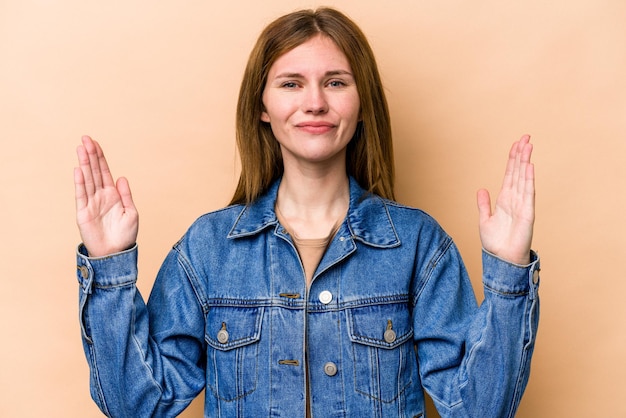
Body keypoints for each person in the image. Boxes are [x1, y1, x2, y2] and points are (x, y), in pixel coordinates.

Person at [74, 7, 540, 418]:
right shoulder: (209, 248)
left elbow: (478, 408)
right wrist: (109, 266)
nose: (315, 102)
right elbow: (138, 405)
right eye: (291, 83)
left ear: (362, 104)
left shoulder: (418, 244)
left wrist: (509, 273)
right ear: (262, 105)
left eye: (336, 82)